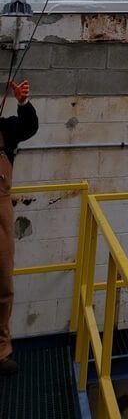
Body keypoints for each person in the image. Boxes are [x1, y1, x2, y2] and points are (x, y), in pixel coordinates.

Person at [0, 79, 38, 376]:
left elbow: (29, 127)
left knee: (3, 282)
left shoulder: (6, 129)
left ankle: (1, 350)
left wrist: (23, 102)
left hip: (0, 212)